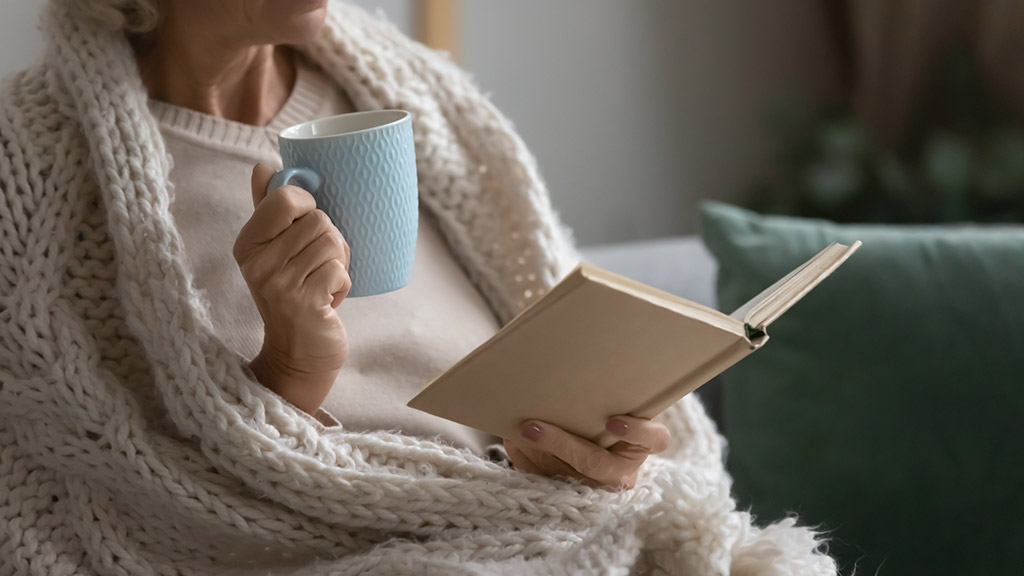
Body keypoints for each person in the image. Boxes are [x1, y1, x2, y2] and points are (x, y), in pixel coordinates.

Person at [0, 0, 836, 573]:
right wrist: (290, 369)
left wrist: (578, 455)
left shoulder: (407, 93)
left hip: (550, 536)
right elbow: (132, 502)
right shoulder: (32, 172)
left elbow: (520, 421)